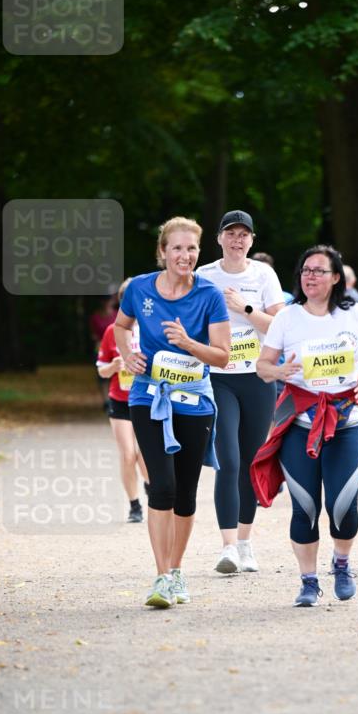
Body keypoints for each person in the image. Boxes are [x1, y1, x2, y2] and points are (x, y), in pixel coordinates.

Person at [253, 244, 358, 607]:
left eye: (318, 271)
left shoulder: (355, 313)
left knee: (344, 506)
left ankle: (341, 564)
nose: (310, 276)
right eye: (305, 271)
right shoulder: (287, 317)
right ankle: (308, 582)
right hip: (300, 421)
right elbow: (262, 366)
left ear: (336, 278)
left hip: (346, 420)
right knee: (305, 507)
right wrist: (278, 371)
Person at [114, 216, 231, 608]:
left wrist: (187, 342)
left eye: (192, 248)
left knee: (185, 491)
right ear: (162, 252)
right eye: (177, 248)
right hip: (149, 396)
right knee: (161, 486)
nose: (185, 255)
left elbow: (223, 356)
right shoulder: (140, 288)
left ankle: (177, 570)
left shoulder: (210, 295)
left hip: (195, 399)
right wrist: (129, 355)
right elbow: (120, 326)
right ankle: (162, 576)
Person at [197, 210, 285, 574]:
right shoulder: (203, 275)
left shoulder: (263, 275)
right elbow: (192, 320)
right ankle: (228, 546)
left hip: (258, 378)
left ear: (252, 240)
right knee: (228, 461)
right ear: (219, 238)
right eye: (230, 233)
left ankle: (246, 543)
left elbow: (280, 324)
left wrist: (245, 308)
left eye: (244, 234)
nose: (237, 239)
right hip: (219, 377)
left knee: (250, 463)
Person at [96, 278, 149, 523]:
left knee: (146, 454)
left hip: (148, 399)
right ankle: (134, 505)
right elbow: (101, 371)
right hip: (120, 400)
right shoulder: (112, 331)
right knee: (128, 454)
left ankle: (152, 488)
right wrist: (114, 366)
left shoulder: (153, 327)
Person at [89, 295, 118, 411]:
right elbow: (93, 334)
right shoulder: (95, 317)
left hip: (116, 347)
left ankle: (114, 398)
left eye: (109, 300)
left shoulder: (117, 315)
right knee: (102, 374)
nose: (107, 302)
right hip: (101, 347)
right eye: (105, 300)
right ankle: (106, 401)